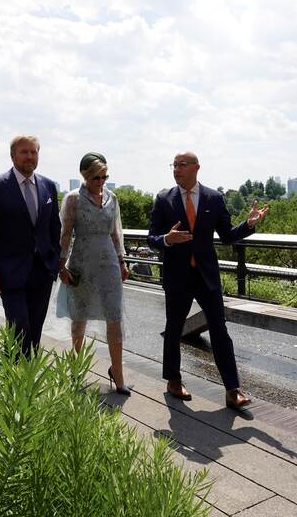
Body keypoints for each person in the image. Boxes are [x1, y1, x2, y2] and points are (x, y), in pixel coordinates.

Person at [147, 151, 269, 410]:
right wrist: (167, 239)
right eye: (174, 165)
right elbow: (151, 238)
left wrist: (248, 224)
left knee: (219, 330)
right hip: (177, 276)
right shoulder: (164, 199)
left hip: (206, 277)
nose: (176, 169)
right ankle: (173, 380)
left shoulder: (214, 198)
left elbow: (227, 236)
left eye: (182, 165)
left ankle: (232, 390)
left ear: (196, 167)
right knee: (174, 328)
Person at [0, 135, 61, 358]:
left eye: (34, 152)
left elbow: (54, 227)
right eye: (24, 152)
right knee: (19, 327)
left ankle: (27, 371)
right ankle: (14, 372)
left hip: (42, 270)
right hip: (9, 271)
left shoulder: (48, 186)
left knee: (35, 328)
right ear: (13, 155)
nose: (30, 156)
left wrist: (54, 261)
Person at [56, 153, 130, 395]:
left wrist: (122, 262)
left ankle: (118, 373)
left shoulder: (112, 198)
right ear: (85, 176)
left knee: (114, 316)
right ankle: (76, 368)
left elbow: (116, 233)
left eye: (104, 177)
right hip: (82, 263)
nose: (101, 181)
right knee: (80, 317)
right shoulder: (73, 198)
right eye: (96, 177)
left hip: (109, 263)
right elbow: (65, 234)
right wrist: (61, 266)